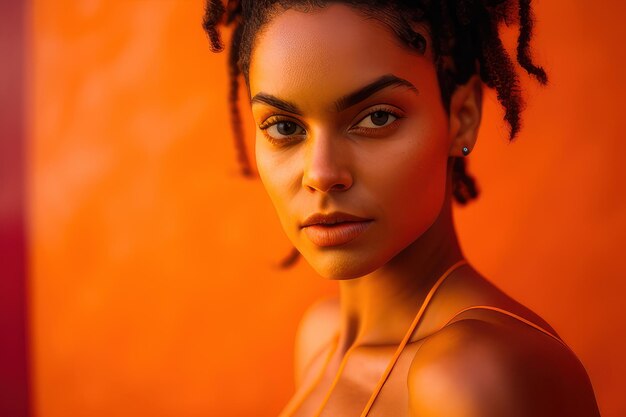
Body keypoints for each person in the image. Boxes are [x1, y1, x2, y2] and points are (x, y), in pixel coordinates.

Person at [203, 1, 602, 416]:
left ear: (462, 117)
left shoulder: (476, 375)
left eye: (377, 118)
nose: (321, 174)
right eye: (284, 127)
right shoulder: (322, 336)